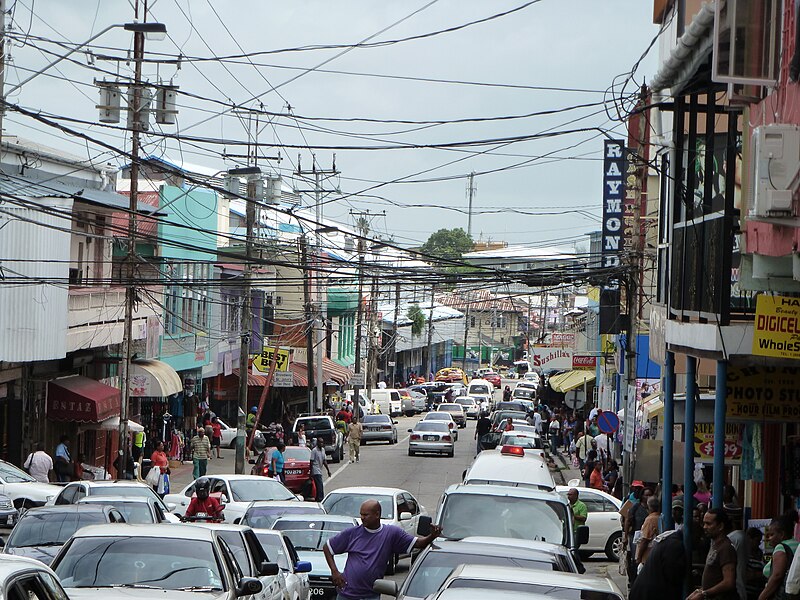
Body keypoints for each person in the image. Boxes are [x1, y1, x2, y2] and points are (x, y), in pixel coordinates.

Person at [323, 499, 442, 600]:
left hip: (371, 595)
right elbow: (328, 548)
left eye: (366, 515)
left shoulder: (391, 533)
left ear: (377, 514)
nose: (362, 518)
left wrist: (432, 536)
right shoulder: (352, 534)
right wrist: (335, 572)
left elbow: (418, 543)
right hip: (347, 594)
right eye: (361, 514)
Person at [629, 499, 686, 600]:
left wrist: (638, 558)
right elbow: (644, 540)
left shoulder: (655, 522)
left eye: (679, 510)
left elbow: (644, 539)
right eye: (674, 510)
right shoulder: (673, 541)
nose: (676, 513)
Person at [687, 508, 738, 600]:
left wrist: (704, 593)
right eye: (704, 523)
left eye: (709, 524)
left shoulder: (726, 548)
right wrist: (700, 591)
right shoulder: (715, 545)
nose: (704, 527)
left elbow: (729, 582)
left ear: (720, 526)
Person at [759, 511, 799, 600]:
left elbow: (777, 575)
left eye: (771, 535)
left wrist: (762, 597)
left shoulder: (781, 547)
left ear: (781, 534)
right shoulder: (797, 545)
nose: (768, 539)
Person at [625, 484, 653, 587]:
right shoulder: (636, 507)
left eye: (650, 495)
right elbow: (628, 520)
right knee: (635, 559)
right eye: (646, 495)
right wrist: (625, 536)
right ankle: (634, 581)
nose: (648, 497)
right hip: (636, 537)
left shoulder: (652, 509)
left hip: (649, 538)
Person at [567, 488, 588, 574]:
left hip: (576, 532)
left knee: (574, 550)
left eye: (570, 495)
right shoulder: (567, 505)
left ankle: (580, 567)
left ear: (576, 496)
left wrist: (573, 515)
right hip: (568, 531)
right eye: (568, 494)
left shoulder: (581, 506)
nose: (569, 496)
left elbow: (584, 518)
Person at [636, 496, 662, 567]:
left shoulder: (650, 519)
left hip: (649, 555)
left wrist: (639, 557)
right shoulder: (660, 517)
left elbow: (645, 539)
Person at [310, 438, 331, 502]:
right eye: (320, 442)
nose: (321, 444)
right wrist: (311, 472)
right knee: (320, 485)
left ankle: (317, 498)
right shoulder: (314, 451)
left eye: (322, 442)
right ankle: (320, 499)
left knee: (317, 486)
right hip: (315, 470)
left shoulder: (323, 450)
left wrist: (328, 470)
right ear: (317, 443)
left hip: (320, 469)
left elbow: (324, 461)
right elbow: (311, 461)